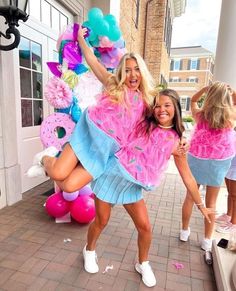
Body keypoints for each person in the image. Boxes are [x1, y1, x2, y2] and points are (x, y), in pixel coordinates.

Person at [27, 28, 212, 288]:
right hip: (97, 151)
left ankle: (141, 262)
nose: (132, 74)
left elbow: (172, 139)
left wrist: (181, 138)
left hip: (118, 170)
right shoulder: (118, 90)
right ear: (122, 72)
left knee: (135, 222)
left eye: (137, 69)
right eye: (128, 69)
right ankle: (47, 160)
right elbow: (92, 62)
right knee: (67, 184)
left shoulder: (150, 109)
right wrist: (80, 39)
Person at [180, 82, 236, 251]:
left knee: (190, 197)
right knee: (211, 202)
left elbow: (193, 101)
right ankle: (206, 240)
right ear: (226, 100)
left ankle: (184, 231)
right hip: (218, 163)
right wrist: (231, 92)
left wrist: (205, 89)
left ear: (209, 97)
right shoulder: (230, 117)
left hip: (197, 158)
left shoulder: (200, 115)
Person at [215, 154, 236, 233]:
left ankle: (234, 223)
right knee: (230, 192)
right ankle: (228, 215)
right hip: (230, 159)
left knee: (234, 195)